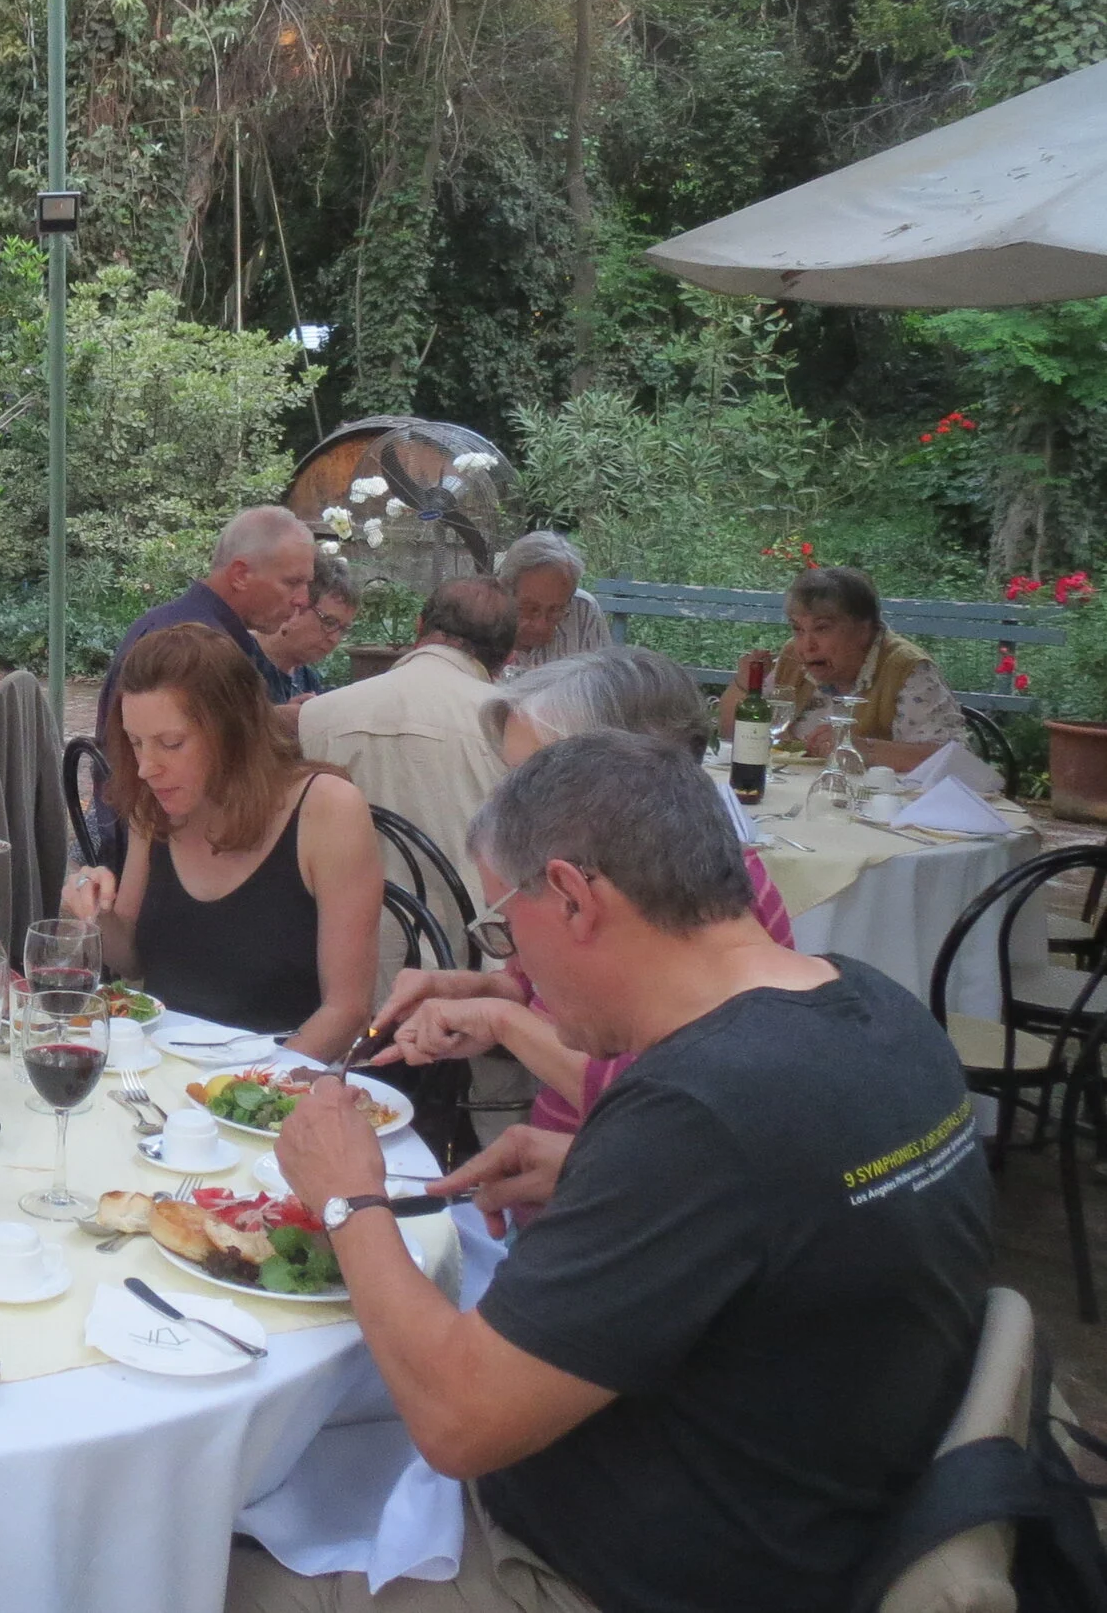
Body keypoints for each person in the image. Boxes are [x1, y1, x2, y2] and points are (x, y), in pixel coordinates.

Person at [235, 731, 991, 1613]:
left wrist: (345, 1193)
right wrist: (604, 1177)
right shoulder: (876, 1008)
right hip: (815, 1502)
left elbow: (455, 1418)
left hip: (615, 1573)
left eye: (501, 928)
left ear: (568, 897)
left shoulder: (700, 1113)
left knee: (195, 1548)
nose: (510, 968)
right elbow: (793, 1222)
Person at [370, 646, 795, 1138]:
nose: (511, 805)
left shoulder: (713, 892)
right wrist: (475, 991)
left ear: (633, 774)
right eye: (512, 778)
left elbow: (663, 1103)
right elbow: (540, 993)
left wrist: (503, 1021)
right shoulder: (583, 878)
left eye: (538, 778)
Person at [62, 626, 381, 1055]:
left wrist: (235, 1091)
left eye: (171, 743)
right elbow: (132, 960)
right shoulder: (156, 804)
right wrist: (93, 907)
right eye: (136, 744)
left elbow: (347, 1010)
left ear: (234, 732)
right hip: (161, 1071)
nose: (145, 768)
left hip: (275, 1081)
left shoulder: (326, 809)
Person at [297, 576, 515, 903]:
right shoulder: (515, 730)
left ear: (419, 627)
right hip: (471, 947)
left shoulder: (317, 715)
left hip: (333, 942)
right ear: (508, 658)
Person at [717, 562, 969, 766]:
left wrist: (862, 748)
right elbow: (731, 735)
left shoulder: (906, 668)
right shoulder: (793, 657)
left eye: (822, 628)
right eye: (798, 629)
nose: (807, 645)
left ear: (864, 630)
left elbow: (954, 760)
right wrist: (744, 684)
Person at [98, 507, 315, 729]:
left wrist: (273, 717)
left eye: (307, 584)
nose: (303, 600)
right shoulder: (191, 643)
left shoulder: (181, 623)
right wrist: (275, 725)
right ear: (240, 575)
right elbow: (178, 753)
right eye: (292, 583)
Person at [496, 530, 609, 677]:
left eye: (556, 610)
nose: (541, 625)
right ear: (506, 591)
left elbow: (602, 684)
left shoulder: (583, 610)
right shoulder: (481, 617)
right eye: (530, 609)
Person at [254, 551, 358, 702]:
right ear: (297, 604)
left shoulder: (307, 679)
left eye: (343, 629)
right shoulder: (236, 661)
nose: (335, 639)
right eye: (329, 622)